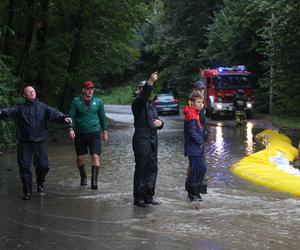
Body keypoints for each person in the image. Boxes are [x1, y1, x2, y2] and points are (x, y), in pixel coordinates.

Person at [0, 85, 71, 200]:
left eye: (33, 91)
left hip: (40, 141)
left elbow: (54, 113)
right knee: (24, 167)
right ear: (24, 95)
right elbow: (8, 112)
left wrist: (63, 118)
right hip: (24, 143)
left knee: (43, 166)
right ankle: (27, 191)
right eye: (29, 92)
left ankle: (40, 182)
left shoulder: (43, 107)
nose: (32, 93)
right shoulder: (20, 108)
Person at [68, 81, 108, 190]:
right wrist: (71, 128)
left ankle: (94, 183)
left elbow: (102, 117)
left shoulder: (98, 102)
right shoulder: (76, 101)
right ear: (83, 90)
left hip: (94, 132)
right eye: (87, 89)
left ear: (93, 90)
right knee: (80, 158)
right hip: (80, 133)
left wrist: (105, 131)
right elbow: (71, 115)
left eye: (92, 89)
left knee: (95, 156)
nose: (90, 91)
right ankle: (83, 178)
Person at [132, 72, 164, 207]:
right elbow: (144, 96)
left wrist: (161, 123)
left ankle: (149, 196)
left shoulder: (152, 105)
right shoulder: (137, 103)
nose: (143, 90)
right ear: (138, 90)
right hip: (141, 138)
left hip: (153, 138)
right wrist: (151, 81)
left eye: (144, 88)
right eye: (141, 88)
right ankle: (139, 198)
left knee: (152, 167)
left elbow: (158, 121)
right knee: (141, 168)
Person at [183, 91, 207, 202]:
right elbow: (191, 131)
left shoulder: (195, 113)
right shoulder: (191, 114)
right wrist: (200, 141)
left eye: (201, 102)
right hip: (194, 148)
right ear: (192, 102)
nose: (200, 104)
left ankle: (195, 192)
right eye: (198, 102)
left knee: (201, 169)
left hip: (197, 148)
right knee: (197, 170)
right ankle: (193, 194)